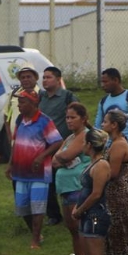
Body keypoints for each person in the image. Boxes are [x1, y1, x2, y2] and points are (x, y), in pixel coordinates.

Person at [5, 89, 63, 249]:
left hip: (38, 173)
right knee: (22, 207)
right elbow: (15, 142)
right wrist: (10, 163)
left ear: (33, 103)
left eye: (22, 103)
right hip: (20, 171)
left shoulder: (44, 121)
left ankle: (36, 240)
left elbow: (57, 142)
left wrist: (41, 156)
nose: (19, 106)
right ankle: (36, 234)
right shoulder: (19, 120)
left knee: (37, 207)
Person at [94, 68, 128, 223]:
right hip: (109, 145)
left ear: (116, 80)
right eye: (102, 82)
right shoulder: (104, 101)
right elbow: (98, 124)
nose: (103, 85)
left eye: (106, 81)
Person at [71, 129, 112, 255]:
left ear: (89, 145)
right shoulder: (92, 163)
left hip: (96, 215)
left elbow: (96, 193)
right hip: (87, 216)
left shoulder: (101, 165)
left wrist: (80, 209)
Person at [52, 103, 91, 255]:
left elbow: (64, 155)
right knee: (72, 229)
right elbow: (54, 161)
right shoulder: (69, 138)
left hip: (78, 186)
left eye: (73, 117)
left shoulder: (85, 136)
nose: (69, 121)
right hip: (66, 188)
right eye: (67, 117)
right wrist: (61, 158)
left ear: (83, 119)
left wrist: (62, 158)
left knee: (82, 228)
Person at [100, 109, 128, 255]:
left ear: (114, 125)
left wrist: (95, 173)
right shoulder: (112, 142)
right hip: (111, 196)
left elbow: (112, 173)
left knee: (119, 238)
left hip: (118, 196)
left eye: (105, 122)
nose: (102, 124)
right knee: (110, 238)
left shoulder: (119, 144)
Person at [39, 66, 78, 226]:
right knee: (48, 183)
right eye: (44, 77)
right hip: (45, 147)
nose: (45, 80)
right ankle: (54, 215)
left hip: (63, 147)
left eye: (48, 77)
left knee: (66, 181)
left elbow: (78, 115)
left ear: (57, 79)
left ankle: (73, 211)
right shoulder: (41, 98)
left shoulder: (67, 96)